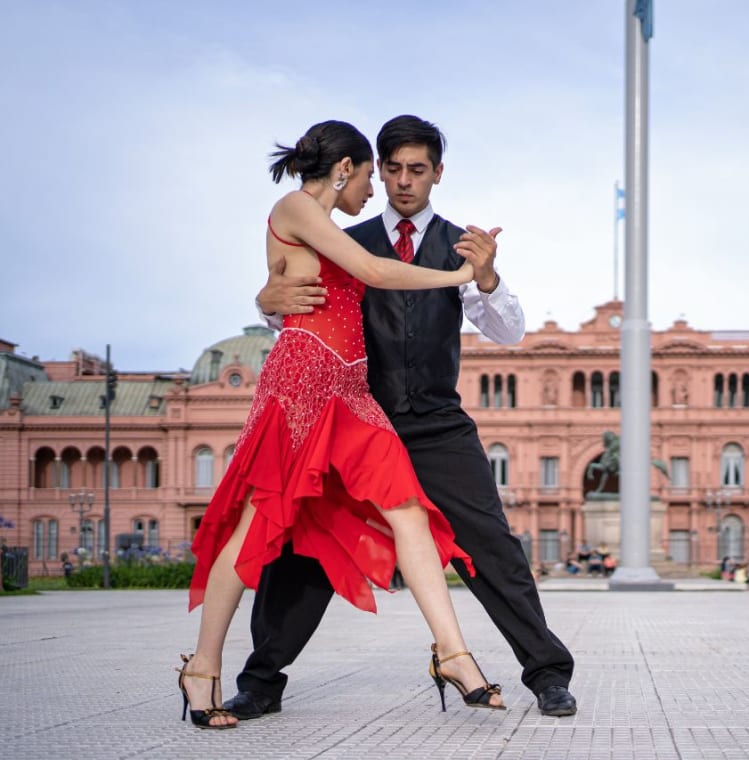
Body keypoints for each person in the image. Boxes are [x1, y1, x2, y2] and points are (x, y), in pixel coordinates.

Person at [231, 115, 577, 720]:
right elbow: (292, 304)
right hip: (355, 417)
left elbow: (509, 331)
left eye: (417, 169)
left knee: (491, 545)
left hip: (436, 423)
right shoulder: (342, 234)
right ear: (375, 170)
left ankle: (547, 673)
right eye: (391, 169)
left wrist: (488, 276)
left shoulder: (461, 246)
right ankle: (261, 680)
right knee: (304, 548)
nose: (403, 181)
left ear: (438, 173)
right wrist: (266, 298)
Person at [177, 121, 509, 729]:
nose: (374, 193)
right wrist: (459, 277)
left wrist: (266, 293)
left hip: (351, 391)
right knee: (257, 526)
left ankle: (455, 654)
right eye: (368, 177)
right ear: (347, 168)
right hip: (304, 384)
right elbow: (374, 273)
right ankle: (202, 666)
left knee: (407, 508)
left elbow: (298, 280)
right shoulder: (297, 207)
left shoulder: (320, 224)